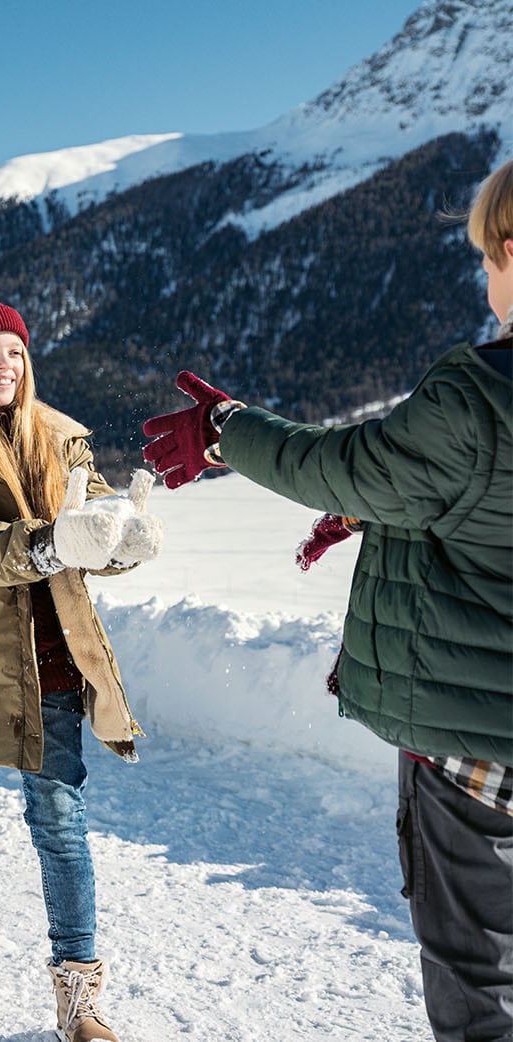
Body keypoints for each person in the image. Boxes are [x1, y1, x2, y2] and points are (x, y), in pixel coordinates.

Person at [141, 158, 513, 1042]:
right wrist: (382, 510)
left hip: (479, 762)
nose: (487, 280)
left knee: (481, 992)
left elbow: (340, 463)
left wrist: (226, 430)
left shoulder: (480, 395)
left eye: (489, 259)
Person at [0, 269, 162, 1041]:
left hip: (51, 665)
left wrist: (124, 541)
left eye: (13, 350)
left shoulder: (60, 438)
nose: (3, 365)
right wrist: (52, 541)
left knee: (62, 826)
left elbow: (94, 527)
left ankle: (79, 993)